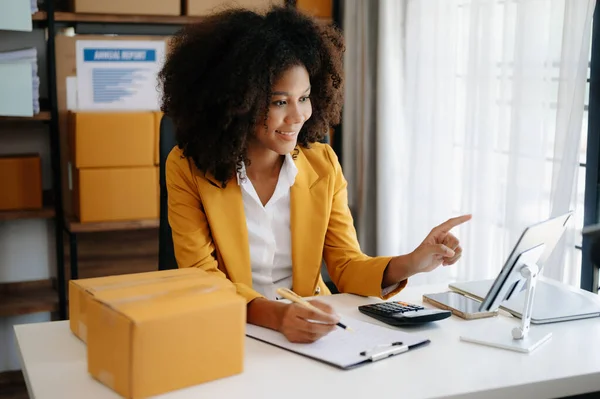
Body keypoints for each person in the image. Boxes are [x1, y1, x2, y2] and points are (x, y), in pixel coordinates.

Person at [159, 5, 471, 344]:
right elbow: (205, 280)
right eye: (280, 102)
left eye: (304, 98)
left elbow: (347, 266)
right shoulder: (187, 167)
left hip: (311, 328)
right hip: (230, 330)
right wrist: (278, 316)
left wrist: (412, 262)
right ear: (237, 102)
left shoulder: (322, 164)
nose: (298, 115)